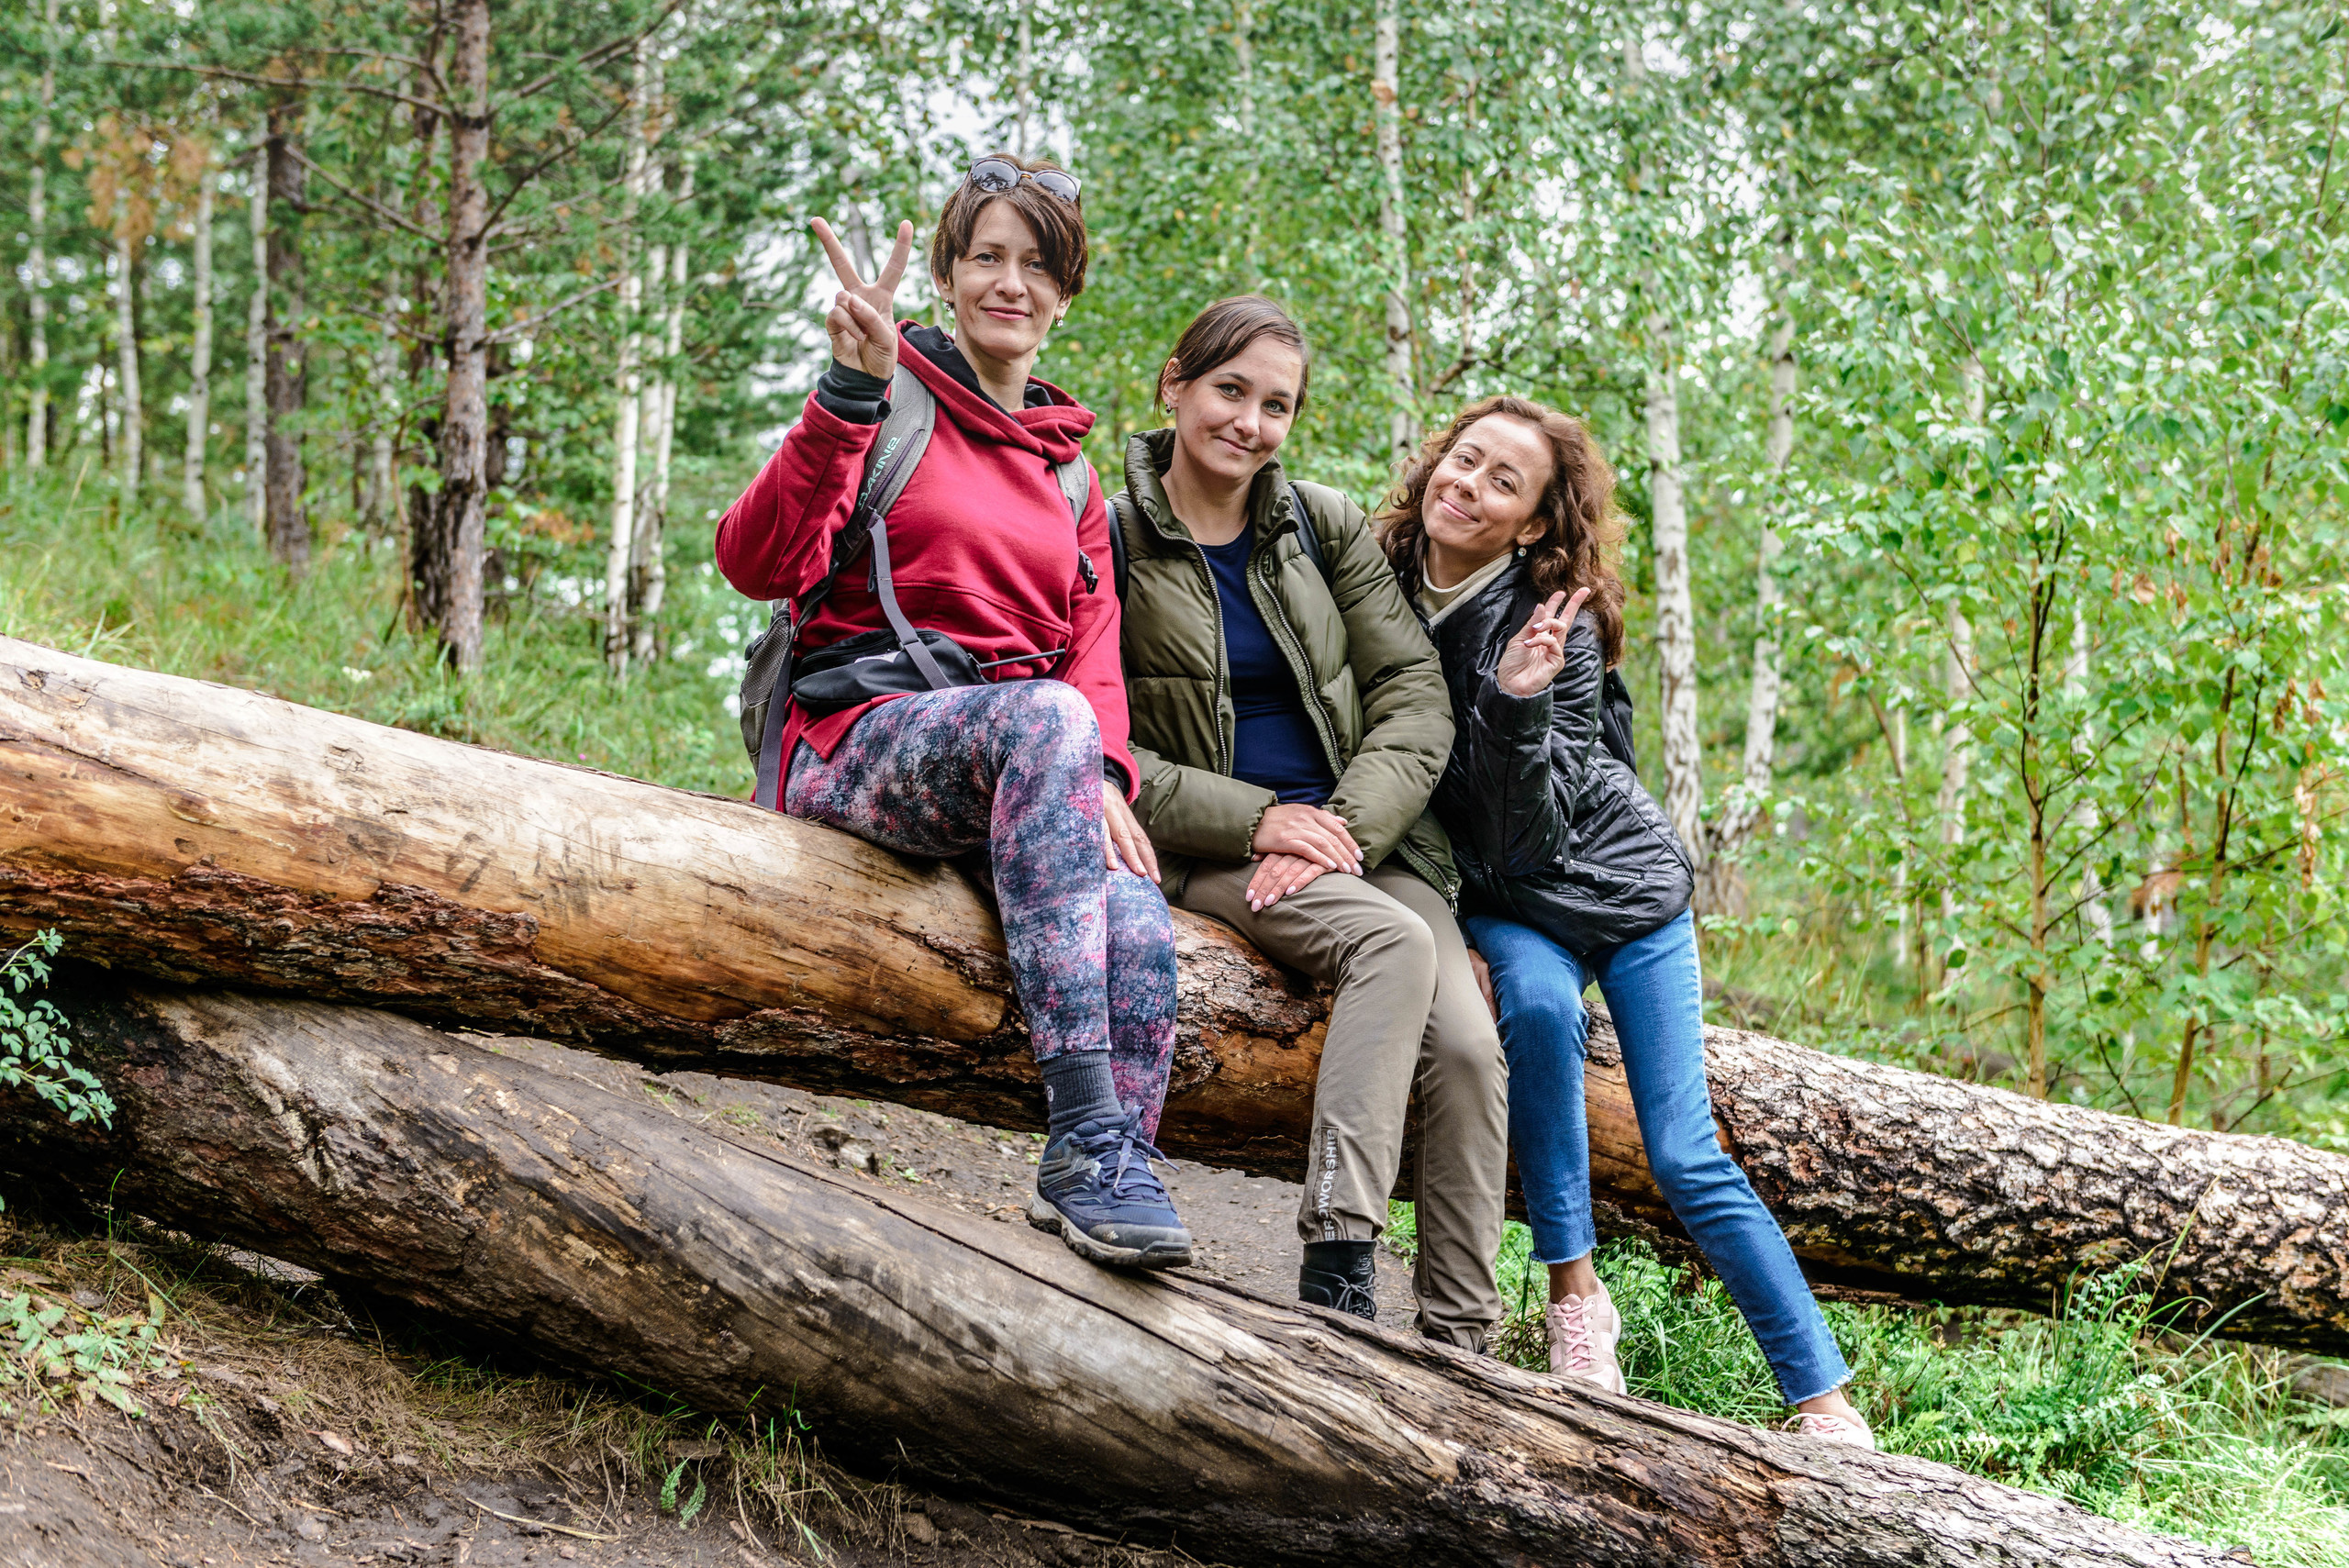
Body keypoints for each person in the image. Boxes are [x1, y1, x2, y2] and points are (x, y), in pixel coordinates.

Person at [715, 153, 1193, 1272]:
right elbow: (755, 560)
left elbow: (1094, 658)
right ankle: (1081, 1130)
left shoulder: (1071, 478)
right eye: (986, 256)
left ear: (1065, 295)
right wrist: (844, 396)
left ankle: (1116, 1174)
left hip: (1016, 762)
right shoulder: (887, 403)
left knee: (1140, 920)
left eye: (1037, 264)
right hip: (853, 744)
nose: (1010, 283)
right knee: (1045, 726)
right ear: (947, 275)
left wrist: (1110, 781)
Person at [1384, 393, 1876, 1444]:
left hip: (1619, 891)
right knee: (1537, 1014)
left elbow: (1529, 834)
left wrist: (1515, 700)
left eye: (1501, 481)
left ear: (1530, 524)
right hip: (1514, 911)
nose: (1466, 484)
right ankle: (1575, 1299)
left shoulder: (1550, 616)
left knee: (1685, 1149)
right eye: (1461, 459)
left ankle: (1824, 1401)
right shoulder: (1375, 583)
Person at [1111, 295, 1509, 1349]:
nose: (1248, 422)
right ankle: (1338, 1264)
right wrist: (1260, 823)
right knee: (1387, 942)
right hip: (1208, 845)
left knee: (1470, 1050)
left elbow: (1416, 699)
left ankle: (1462, 1338)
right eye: (1229, 391)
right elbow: (1111, 756)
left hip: (1359, 837)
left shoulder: (1319, 524)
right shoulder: (1106, 534)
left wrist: (1335, 825)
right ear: (1175, 385)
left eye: (1275, 404)